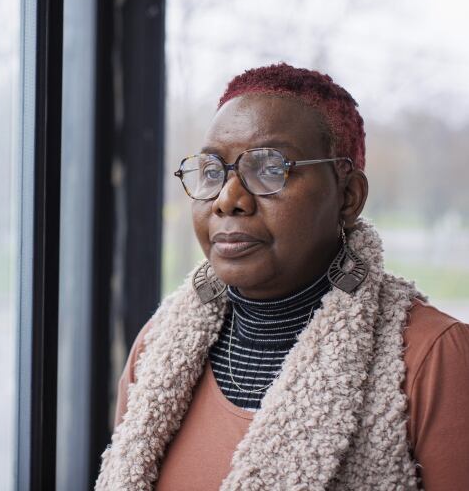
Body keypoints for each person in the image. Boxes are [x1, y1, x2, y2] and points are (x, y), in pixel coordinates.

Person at [96, 63, 469, 490]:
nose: (228, 199)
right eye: (213, 170)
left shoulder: (435, 357)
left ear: (348, 197)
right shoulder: (157, 346)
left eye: (270, 168)